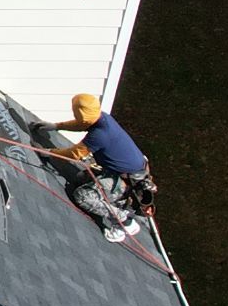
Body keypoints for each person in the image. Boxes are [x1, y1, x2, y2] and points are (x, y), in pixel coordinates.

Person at [55, 92, 155, 243]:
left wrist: (50, 153)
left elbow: (74, 154)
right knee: (81, 178)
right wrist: (56, 126)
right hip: (128, 174)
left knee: (83, 196)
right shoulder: (103, 118)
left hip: (126, 182)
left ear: (81, 113)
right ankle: (114, 201)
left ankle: (125, 223)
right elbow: (81, 124)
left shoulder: (100, 134)